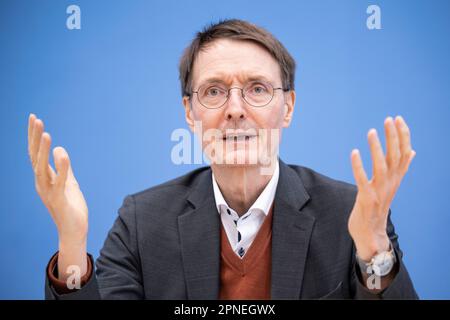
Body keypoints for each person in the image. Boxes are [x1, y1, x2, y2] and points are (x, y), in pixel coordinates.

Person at [28, 19, 418, 299]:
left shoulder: (351, 213)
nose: (235, 109)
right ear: (189, 112)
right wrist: (72, 242)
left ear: (288, 107)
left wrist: (373, 253)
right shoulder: (141, 221)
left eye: (257, 89)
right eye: (213, 91)